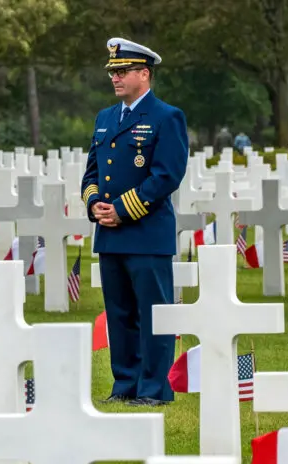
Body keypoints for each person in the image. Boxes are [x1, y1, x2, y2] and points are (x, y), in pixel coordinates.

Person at [81, 37, 188, 407]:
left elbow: (166, 175)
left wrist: (122, 210)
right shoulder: (106, 118)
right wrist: (95, 203)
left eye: (123, 71)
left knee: (152, 314)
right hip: (110, 236)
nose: (116, 78)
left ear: (145, 74)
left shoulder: (166, 117)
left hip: (146, 233)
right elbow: (92, 171)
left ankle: (153, 387)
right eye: (113, 72)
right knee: (120, 315)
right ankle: (124, 383)